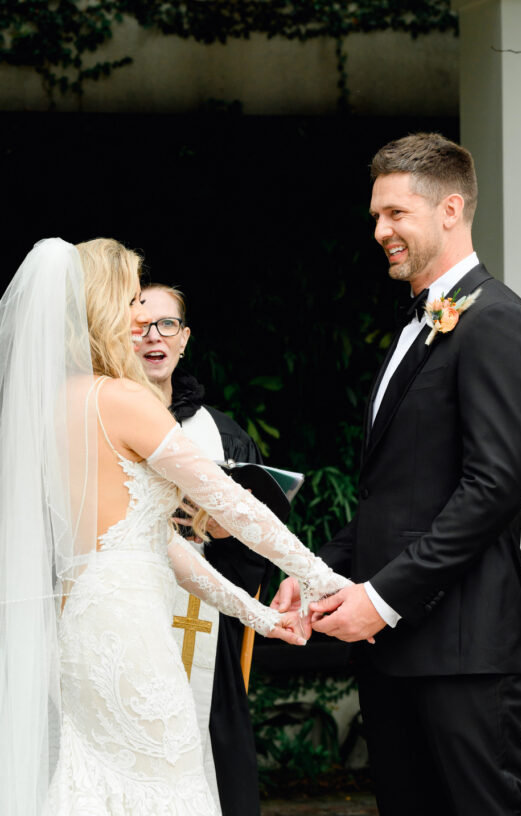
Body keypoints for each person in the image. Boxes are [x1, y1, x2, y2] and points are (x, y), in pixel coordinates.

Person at [0, 237, 349, 816]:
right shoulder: (124, 401)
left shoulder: (52, 406)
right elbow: (235, 505)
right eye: (133, 296)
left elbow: (157, 540)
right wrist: (324, 580)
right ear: (108, 302)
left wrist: (256, 614)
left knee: (99, 788)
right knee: (169, 789)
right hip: (130, 633)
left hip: (82, 627)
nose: (141, 315)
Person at [274, 133, 521, 816]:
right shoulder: (414, 328)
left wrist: (383, 597)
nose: (380, 231)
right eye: (376, 216)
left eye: (396, 214)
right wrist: (312, 574)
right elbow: (391, 498)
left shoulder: (500, 324)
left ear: (450, 209)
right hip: (393, 653)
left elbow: (491, 492)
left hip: (463, 649)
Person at [137, 283, 266, 816]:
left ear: (184, 339)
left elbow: (263, 543)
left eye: (167, 325)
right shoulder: (93, 421)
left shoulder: (223, 437)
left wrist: (222, 532)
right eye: (139, 325)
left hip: (204, 631)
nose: (153, 337)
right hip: (126, 619)